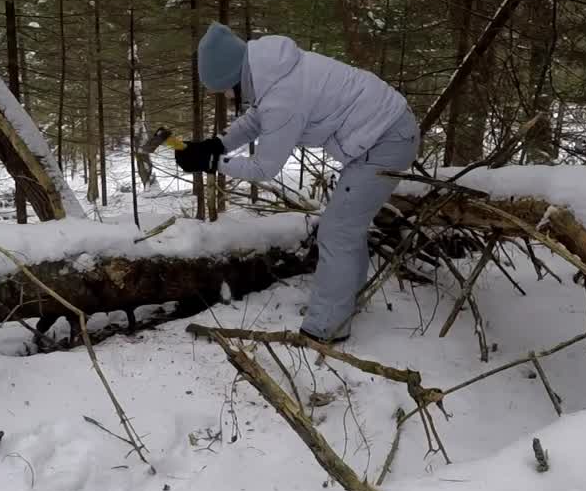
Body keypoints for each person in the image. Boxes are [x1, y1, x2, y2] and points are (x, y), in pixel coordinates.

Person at [175, 22, 419, 344]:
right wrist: (217, 144)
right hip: (384, 133)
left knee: (338, 229)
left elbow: (264, 168)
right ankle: (344, 302)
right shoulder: (271, 70)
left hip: (387, 141)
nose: (224, 95)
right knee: (345, 226)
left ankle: (325, 328)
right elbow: (256, 119)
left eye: (222, 89)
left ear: (233, 77)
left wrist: (211, 163)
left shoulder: (281, 96)